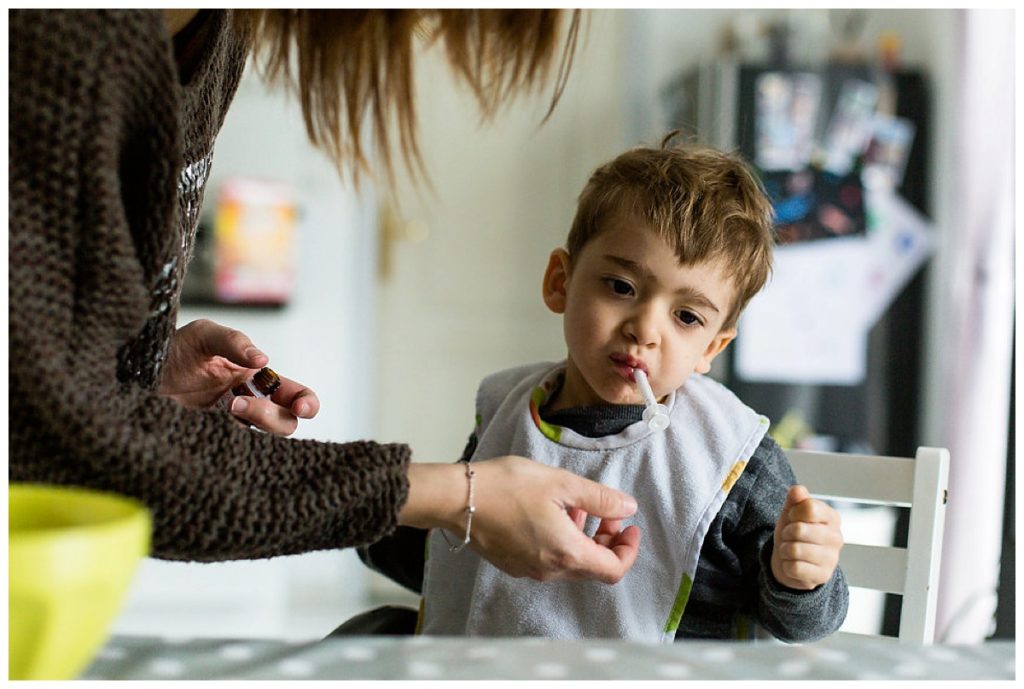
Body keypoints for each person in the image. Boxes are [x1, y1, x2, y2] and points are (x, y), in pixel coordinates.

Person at [8, 9, 641, 585]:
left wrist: (141, 374)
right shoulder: (65, 40)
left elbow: (54, 393)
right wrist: (456, 496)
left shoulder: (217, 34)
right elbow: (59, 451)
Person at [359, 138, 849, 642]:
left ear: (712, 348)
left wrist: (801, 579)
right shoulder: (505, 406)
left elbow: (804, 624)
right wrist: (366, 512)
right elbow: (453, 564)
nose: (645, 329)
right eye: (621, 287)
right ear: (560, 282)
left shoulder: (732, 456)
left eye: (686, 316)